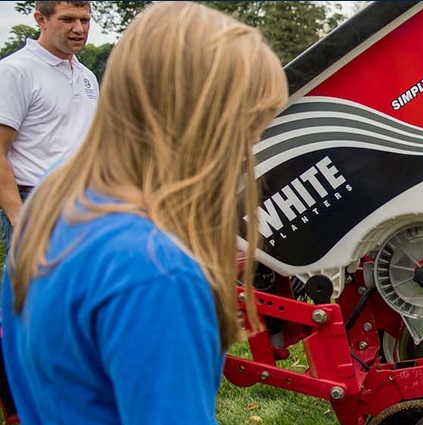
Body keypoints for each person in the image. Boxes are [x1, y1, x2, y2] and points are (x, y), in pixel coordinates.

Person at [0, 2, 287, 424]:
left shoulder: (50, 199)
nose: (246, 151)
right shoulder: (155, 271)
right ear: (198, 121)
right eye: (246, 129)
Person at [0, 1, 99, 252]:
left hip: (80, 203)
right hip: (33, 201)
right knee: (33, 289)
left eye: (84, 20)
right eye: (67, 20)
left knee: (80, 289)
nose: (79, 28)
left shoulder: (88, 76)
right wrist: (18, 217)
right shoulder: (15, 71)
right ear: (41, 20)